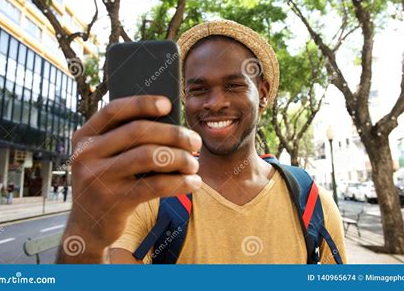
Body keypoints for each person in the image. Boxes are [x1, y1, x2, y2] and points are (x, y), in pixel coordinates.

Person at [57, 20, 346, 264]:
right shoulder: (150, 199)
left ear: (263, 92)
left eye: (234, 85)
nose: (216, 102)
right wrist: (85, 228)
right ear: (185, 98)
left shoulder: (312, 202)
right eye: (199, 89)